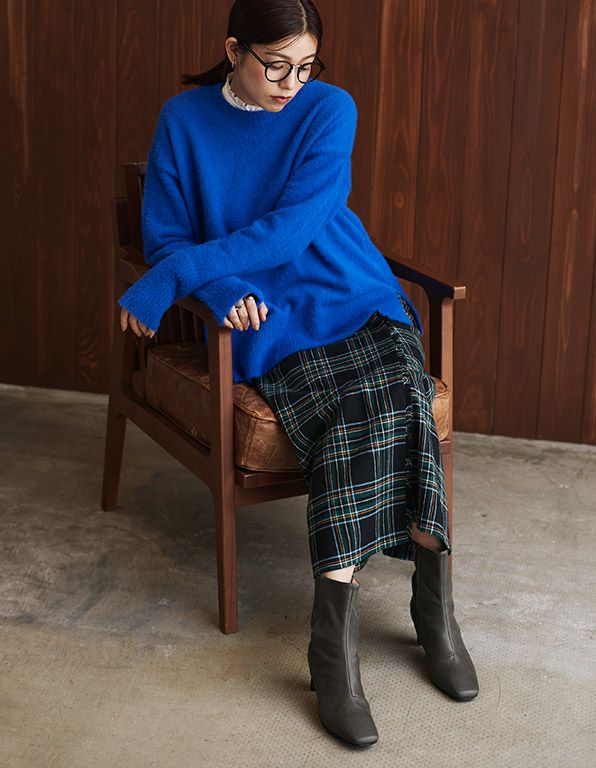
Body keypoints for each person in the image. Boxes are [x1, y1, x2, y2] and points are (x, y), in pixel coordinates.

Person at [117, 0, 478, 748]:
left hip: (353, 292)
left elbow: (292, 230)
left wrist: (176, 277)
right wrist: (218, 287)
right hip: (272, 318)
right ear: (234, 50)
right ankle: (342, 645)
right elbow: (165, 235)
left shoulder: (329, 108)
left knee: (402, 388)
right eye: (275, 66)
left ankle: (423, 611)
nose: (291, 84)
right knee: (367, 406)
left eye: (306, 67)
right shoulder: (183, 120)